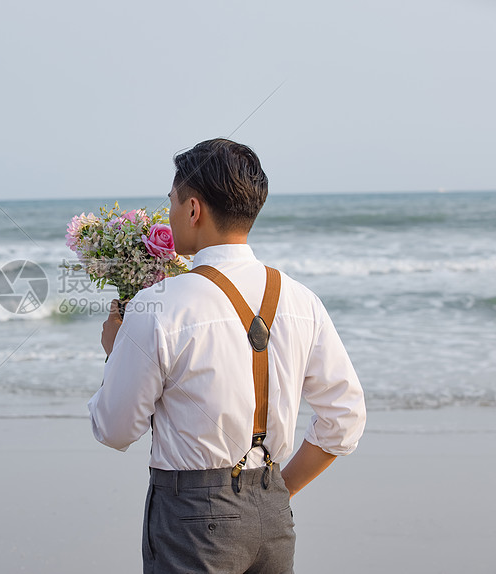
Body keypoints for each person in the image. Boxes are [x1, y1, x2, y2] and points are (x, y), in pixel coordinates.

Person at [88, 138, 367, 574]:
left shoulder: (157, 304)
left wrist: (113, 352)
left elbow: (114, 429)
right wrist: (274, 492)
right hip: (274, 517)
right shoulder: (300, 299)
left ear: (194, 209)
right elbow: (344, 420)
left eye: (172, 202)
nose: (169, 213)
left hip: (192, 523)